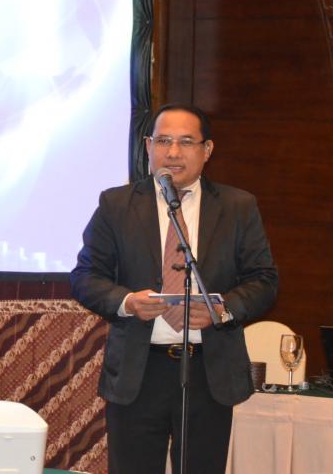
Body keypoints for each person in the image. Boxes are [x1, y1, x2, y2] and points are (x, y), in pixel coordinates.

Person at [70, 104, 279, 474]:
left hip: (208, 373)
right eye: (163, 141)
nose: (173, 152)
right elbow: (85, 276)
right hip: (139, 371)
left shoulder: (237, 206)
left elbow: (264, 280)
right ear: (148, 146)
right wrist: (127, 302)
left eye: (186, 142)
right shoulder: (116, 205)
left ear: (207, 149)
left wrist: (222, 310)